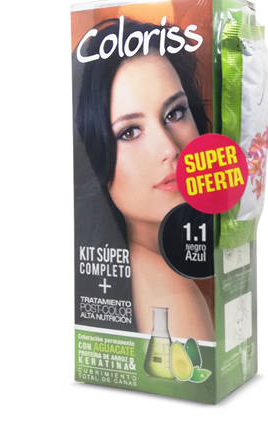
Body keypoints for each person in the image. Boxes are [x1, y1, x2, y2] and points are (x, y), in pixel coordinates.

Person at [74, 18, 215, 341]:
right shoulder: (169, 287)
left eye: (175, 113)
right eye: (129, 132)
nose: (169, 148)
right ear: (93, 156)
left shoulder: (125, 268)